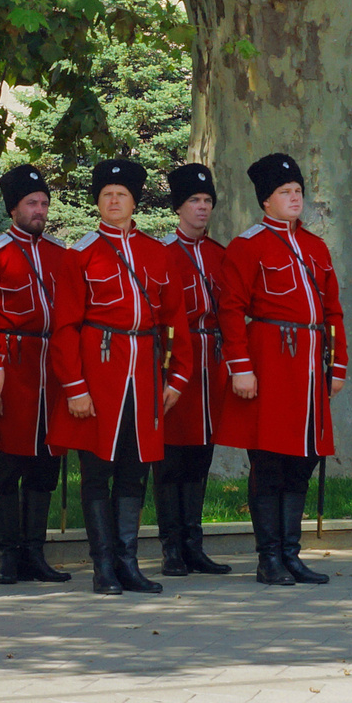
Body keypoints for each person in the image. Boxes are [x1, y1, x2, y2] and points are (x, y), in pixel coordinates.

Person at [217, 151, 350, 587]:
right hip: (270, 364)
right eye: (284, 192)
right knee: (270, 461)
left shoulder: (314, 246)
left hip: (311, 367)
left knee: (304, 459)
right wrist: (241, 366)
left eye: (298, 191)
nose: (294, 198)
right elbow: (231, 311)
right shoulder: (247, 246)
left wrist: (339, 365)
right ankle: (268, 557)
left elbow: (333, 310)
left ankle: (292, 554)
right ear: (266, 201)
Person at [56, 158, 184, 595]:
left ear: (134, 202)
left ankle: (128, 561)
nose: (114, 201)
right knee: (97, 472)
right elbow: (65, 327)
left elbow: (175, 322)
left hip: (145, 374)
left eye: (122, 195)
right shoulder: (82, 252)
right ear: (98, 202)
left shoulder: (157, 252)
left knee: (135, 471)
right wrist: (75, 387)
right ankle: (103, 566)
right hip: (99, 372)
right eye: (107, 195)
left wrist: (177, 379)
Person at [0, 165, 76, 586]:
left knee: (45, 464)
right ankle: (8, 554)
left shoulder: (61, 254)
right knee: (7, 465)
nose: (39, 210)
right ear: (13, 209)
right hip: (15, 367)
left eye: (43, 203)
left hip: (52, 369)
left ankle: (34, 553)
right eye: (31, 204)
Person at [156, 162, 231, 578]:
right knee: (171, 459)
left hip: (212, 363)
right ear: (179, 207)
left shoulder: (219, 254)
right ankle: (171, 547)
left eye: (206, 201)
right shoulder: (164, 253)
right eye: (194, 201)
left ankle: (193, 543)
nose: (202, 208)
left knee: (201, 457)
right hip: (176, 363)